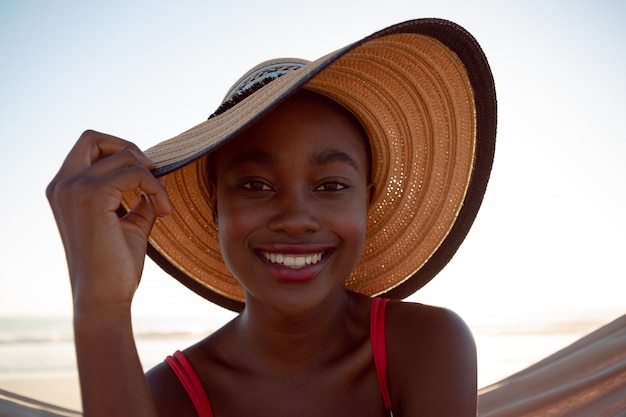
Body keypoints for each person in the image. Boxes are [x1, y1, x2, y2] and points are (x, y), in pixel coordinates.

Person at [46, 18, 496, 417]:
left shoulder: (425, 344)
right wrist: (100, 307)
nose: (296, 219)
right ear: (216, 206)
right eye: (256, 185)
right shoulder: (169, 394)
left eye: (332, 186)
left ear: (368, 202)